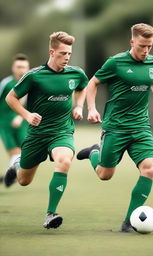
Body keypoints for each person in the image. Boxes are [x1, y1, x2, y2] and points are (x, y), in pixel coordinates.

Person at [76, 23, 153, 232]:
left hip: (140, 127)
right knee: (105, 174)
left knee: (149, 168)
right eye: (142, 46)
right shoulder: (115, 63)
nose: (146, 51)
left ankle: (129, 222)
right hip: (116, 127)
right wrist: (91, 109)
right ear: (132, 42)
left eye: (150, 46)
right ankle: (94, 152)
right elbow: (93, 83)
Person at [3, 31, 88, 229]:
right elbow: (10, 98)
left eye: (69, 53)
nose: (67, 57)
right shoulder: (34, 76)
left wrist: (78, 106)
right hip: (37, 135)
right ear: (51, 51)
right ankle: (17, 165)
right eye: (63, 53)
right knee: (24, 180)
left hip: (62, 132)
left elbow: (83, 87)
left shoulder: (76, 73)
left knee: (65, 160)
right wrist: (26, 115)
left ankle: (50, 214)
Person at [0, 54, 29, 186]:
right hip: (4, 124)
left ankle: (8, 175)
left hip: (22, 124)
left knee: (24, 153)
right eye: (18, 66)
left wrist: (20, 116)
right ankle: (9, 177)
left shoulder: (30, 83)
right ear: (13, 68)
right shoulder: (6, 83)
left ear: (27, 68)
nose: (21, 69)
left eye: (23, 67)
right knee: (15, 152)